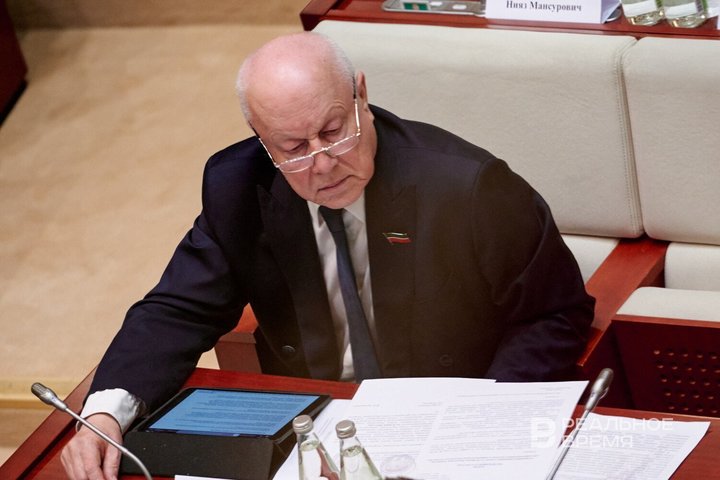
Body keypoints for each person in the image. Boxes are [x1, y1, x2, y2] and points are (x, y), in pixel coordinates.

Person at [60, 32, 594, 479]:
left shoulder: (468, 187)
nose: (323, 164)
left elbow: (554, 313)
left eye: (334, 132)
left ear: (361, 94)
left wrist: (485, 417)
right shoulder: (236, 186)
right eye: (293, 148)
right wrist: (107, 412)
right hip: (308, 430)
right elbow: (179, 308)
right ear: (261, 139)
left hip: (447, 422)